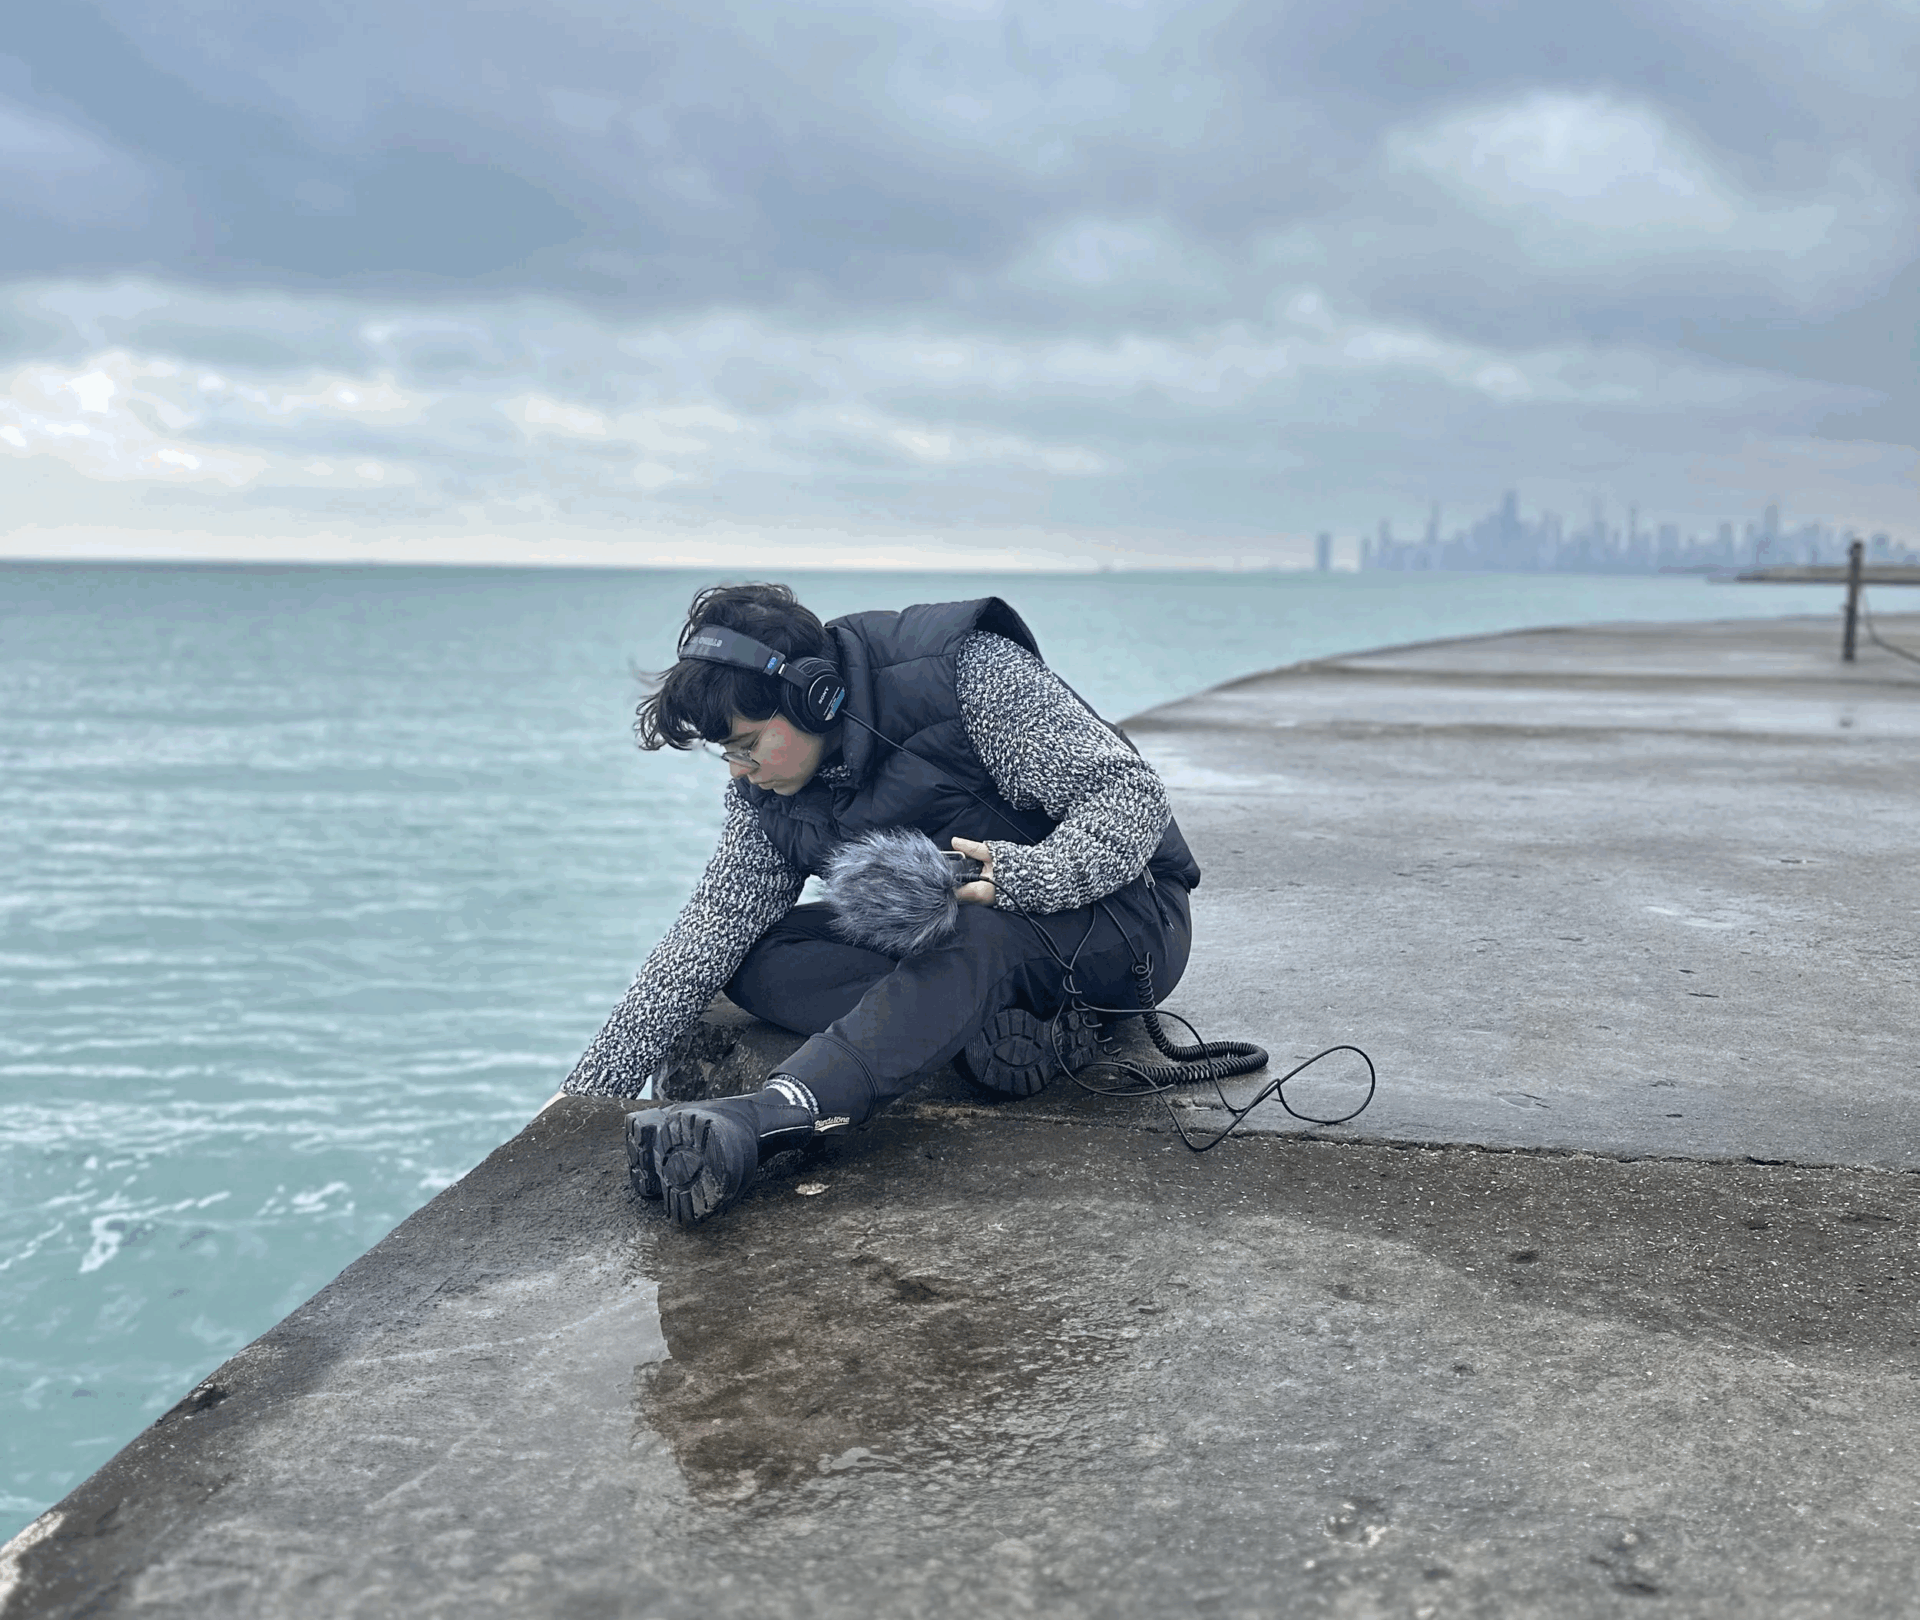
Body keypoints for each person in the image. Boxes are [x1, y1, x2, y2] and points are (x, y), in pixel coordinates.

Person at [564, 582, 1202, 1227]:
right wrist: (586, 1097)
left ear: (814, 700)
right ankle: (990, 1027)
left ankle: (768, 1116)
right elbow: (707, 934)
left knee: (974, 931)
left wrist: (1023, 876)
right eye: (725, 753)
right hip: (963, 937)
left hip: (1128, 920)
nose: (737, 771)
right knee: (752, 955)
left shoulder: (965, 673)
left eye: (747, 745)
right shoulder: (768, 791)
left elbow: (1129, 794)